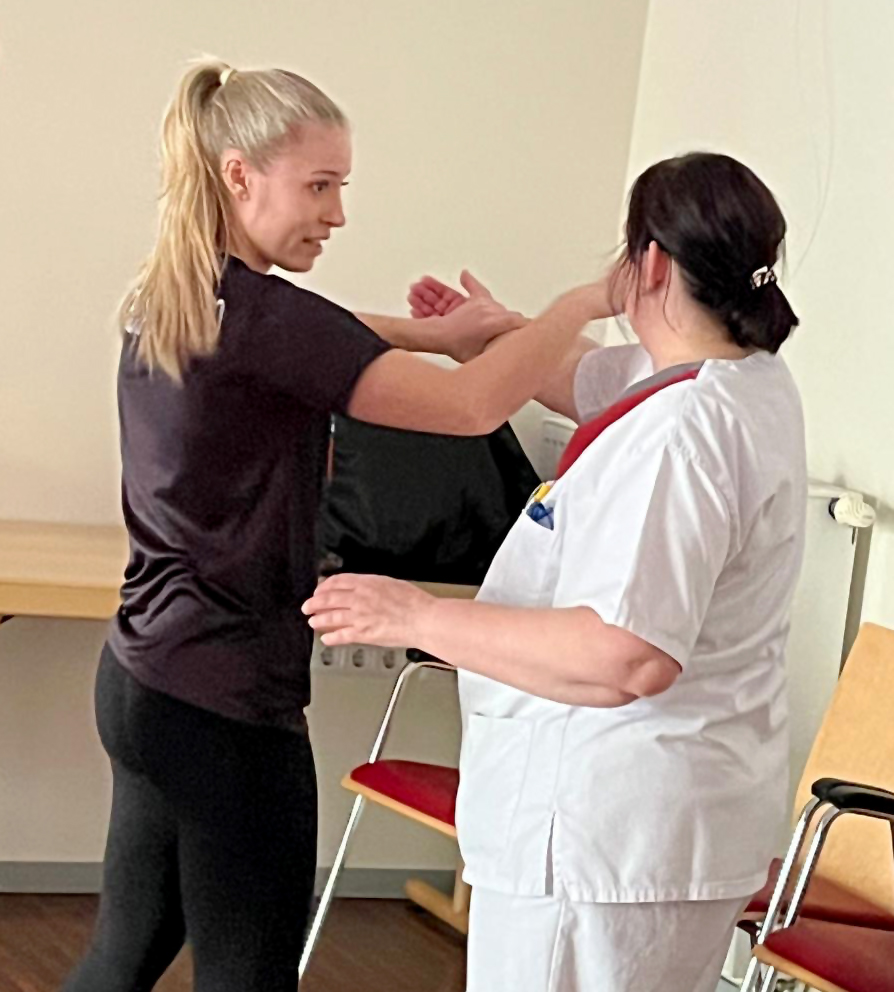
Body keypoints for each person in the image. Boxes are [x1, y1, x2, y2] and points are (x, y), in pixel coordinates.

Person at [63, 59, 617, 992]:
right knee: (249, 977)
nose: (338, 214)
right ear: (239, 174)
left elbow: (323, 330)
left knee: (124, 955)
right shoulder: (266, 318)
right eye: (319, 186)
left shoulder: (174, 293)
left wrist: (434, 334)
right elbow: (473, 409)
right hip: (225, 706)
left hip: (141, 681)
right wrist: (581, 305)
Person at [304, 152, 807, 992]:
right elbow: (584, 379)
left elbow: (626, 656)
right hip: (665, 827)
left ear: (648, 263)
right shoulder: (744, 382)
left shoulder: (681, 432)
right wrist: (502, 331)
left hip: (603, 837)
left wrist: (416, 618)